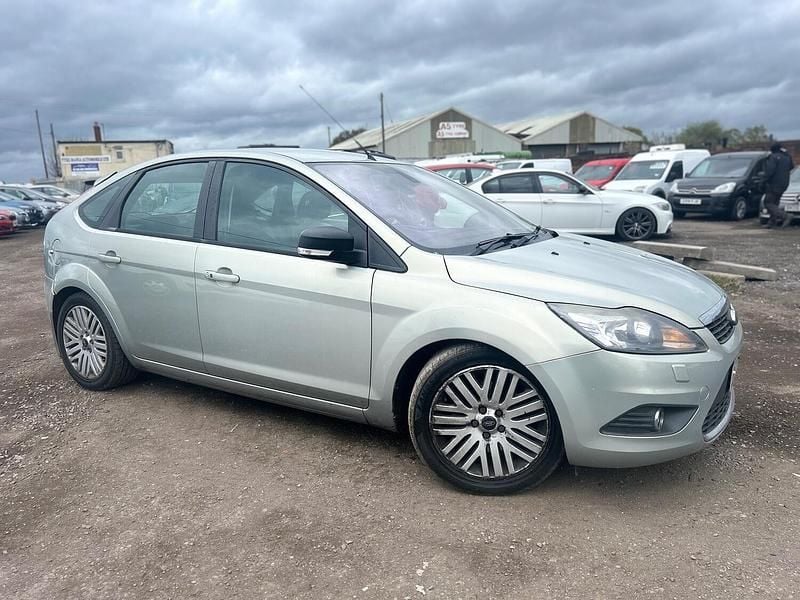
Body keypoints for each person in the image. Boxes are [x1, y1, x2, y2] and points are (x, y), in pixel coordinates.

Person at [762, 143, 795, 227]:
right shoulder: (787, 157)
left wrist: (763, 180)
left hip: (774, 184)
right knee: (775, 202)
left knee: (768, 202)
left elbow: (770, 171)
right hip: (784, 184)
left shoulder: (773, 157)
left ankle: (785, 216)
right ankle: (772, 222)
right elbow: (791, 167)